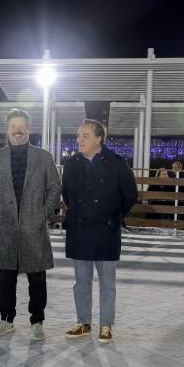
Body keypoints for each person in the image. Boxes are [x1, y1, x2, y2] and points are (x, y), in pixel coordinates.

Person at [0, 108, 61, 341]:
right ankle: (6, 319)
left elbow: (54, 189)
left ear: (28, 129)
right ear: (7, 130)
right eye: (13, 126)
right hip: (5, 228)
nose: (17, 130)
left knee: (37, 279)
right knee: (6, 279)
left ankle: (37, 321)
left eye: (21, 126)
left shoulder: (43, 157)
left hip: (33, 228)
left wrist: (43, 213)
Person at [61, 120, 137, 343]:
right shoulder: (72, 163)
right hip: (80, 229)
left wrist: (113, 218)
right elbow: (67, 195)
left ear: (99, 138)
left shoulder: (117, 162)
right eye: (78, 135)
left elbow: (130, 195)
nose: (79, 140)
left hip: (106, 231)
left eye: (85, 135)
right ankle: (83, 323)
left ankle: (106, 325)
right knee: (81, 281)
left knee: (107, 283)